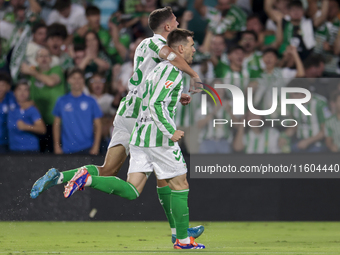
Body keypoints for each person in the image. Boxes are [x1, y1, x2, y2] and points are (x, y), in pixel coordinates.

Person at [30, 7, 204, 243]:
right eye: (174, 20)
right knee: (165, 176)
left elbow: (153, 81)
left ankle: (60, 176)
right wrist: (194, 75)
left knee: (109, 170)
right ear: (167, 26)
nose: (177, 22)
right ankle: (179, 234)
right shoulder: (154, 44)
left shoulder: (150, 51)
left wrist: (176, 93)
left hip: (129, 110)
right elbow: (171, 57)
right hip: (140, 115)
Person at [21, 48, 65, 153]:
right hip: (38, 121)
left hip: (56, 121)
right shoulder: (32, 71)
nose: (44, 58)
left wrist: (32, 72)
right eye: (41, 56)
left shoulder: (56, 69)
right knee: (39, 157)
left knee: (55, 154)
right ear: (36, 59)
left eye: (46, 56)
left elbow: (51, 82)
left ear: (50, 59)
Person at [52, 68, 102, 155]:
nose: (77, 81)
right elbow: (56, 125)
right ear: (68, 80)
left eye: (79, 78)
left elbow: (98, 125)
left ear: (83, 80)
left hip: (87, 148)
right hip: (67, 149)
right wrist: (57, 146)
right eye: (74, 78)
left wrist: (96, 146)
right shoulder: (61, 101)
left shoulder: (91, 101)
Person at [7, 81, 46, 152]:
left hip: (29, 149)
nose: (22, 92)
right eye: (19, 89)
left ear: (29, 93)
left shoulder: (32, 109)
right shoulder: (10, 105)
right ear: (14, 92)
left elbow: (42, 129)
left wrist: (26, 127)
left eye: (26, 90)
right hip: (13, 149)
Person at [0, 72, 16, 153]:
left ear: (8, 87)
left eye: (3, 85)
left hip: (9, 142)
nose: (0, 88)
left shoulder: (12, 97)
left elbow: (26, 104)